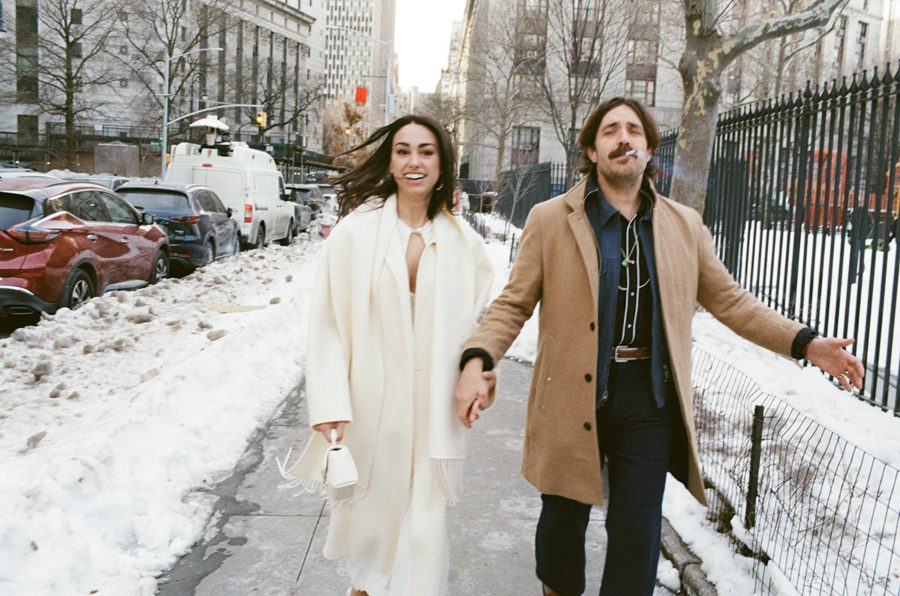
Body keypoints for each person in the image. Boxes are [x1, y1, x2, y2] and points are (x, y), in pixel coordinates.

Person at [453, 97, 865, 596]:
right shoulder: (550, 219)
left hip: (647, 400)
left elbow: (732, 302)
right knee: (561, 532)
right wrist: (478, 359)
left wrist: (805, 343)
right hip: (568, 396)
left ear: (649, 148)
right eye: (610, 130)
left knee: (637, 536)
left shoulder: (682, 225)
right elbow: (513, 303)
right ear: (592, 149)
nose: (623, 138)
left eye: (634, 130)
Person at [291, 114, 494, 596]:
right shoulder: (355, 234)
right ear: (390, 161)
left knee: (423, 539)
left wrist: (478, 379)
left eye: (426, 151)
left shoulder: (467, 245)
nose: (413, 162)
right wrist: (330, 404)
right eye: (403, 151)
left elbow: (479, 331)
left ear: (442, 163)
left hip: (434, 410)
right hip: (373, 409)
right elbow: (327, 323)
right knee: (373, 541)